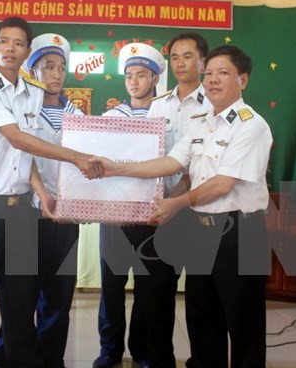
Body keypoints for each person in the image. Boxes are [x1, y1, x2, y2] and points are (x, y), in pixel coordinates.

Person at [90, 45, 273, 368]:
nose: (213, 80)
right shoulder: (202, 123)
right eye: (210, 74)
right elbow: (171, 162)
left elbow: (222, 183)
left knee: (243, 322)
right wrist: (115, 168)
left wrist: (175, 203)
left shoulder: (251, 125)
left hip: (239, 233)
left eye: (224, 73)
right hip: (202, 231)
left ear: (242, 80)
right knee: (202, 317)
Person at [0, 16, 101, 368]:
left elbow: (25, 157)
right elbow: (17, 137)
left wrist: (41, 193)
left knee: (19, 303)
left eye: (17, 43)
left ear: (26, 51)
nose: (9, 48)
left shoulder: (33, 93)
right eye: (4, 41)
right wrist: (77, 157)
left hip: (20, 211)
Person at [0, 33, 82, 368]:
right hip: (23, 218)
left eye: (60, 67)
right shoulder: (19, 110)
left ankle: (50, 359)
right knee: (19, 298)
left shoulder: (79, 116)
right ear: (31, 70)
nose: (55, 74)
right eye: (47, 67)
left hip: (65, 219)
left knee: (58, 296)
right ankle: (10, 358)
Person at [93, 42, 165, 368]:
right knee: (112, 286)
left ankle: (142, 350)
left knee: (148, 289)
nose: (134, 82)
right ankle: (109, 350)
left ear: (155, 78)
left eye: (141, 75)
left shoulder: (167, 115)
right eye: (129, 76)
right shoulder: (111, 116)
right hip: (115, 216)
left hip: (153, 216)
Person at [143, 32, 211, 368]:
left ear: (203, 61)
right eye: (175, 57)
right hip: (163, 210)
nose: (181, 63)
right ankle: (159, 360)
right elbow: (152, 155)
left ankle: (201, 360)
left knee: (200, 295)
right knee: (158, 292)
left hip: (199, 209)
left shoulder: (214, 102)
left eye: (188, 56)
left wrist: (177, 195)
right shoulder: (159, 104)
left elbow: (202, 160)